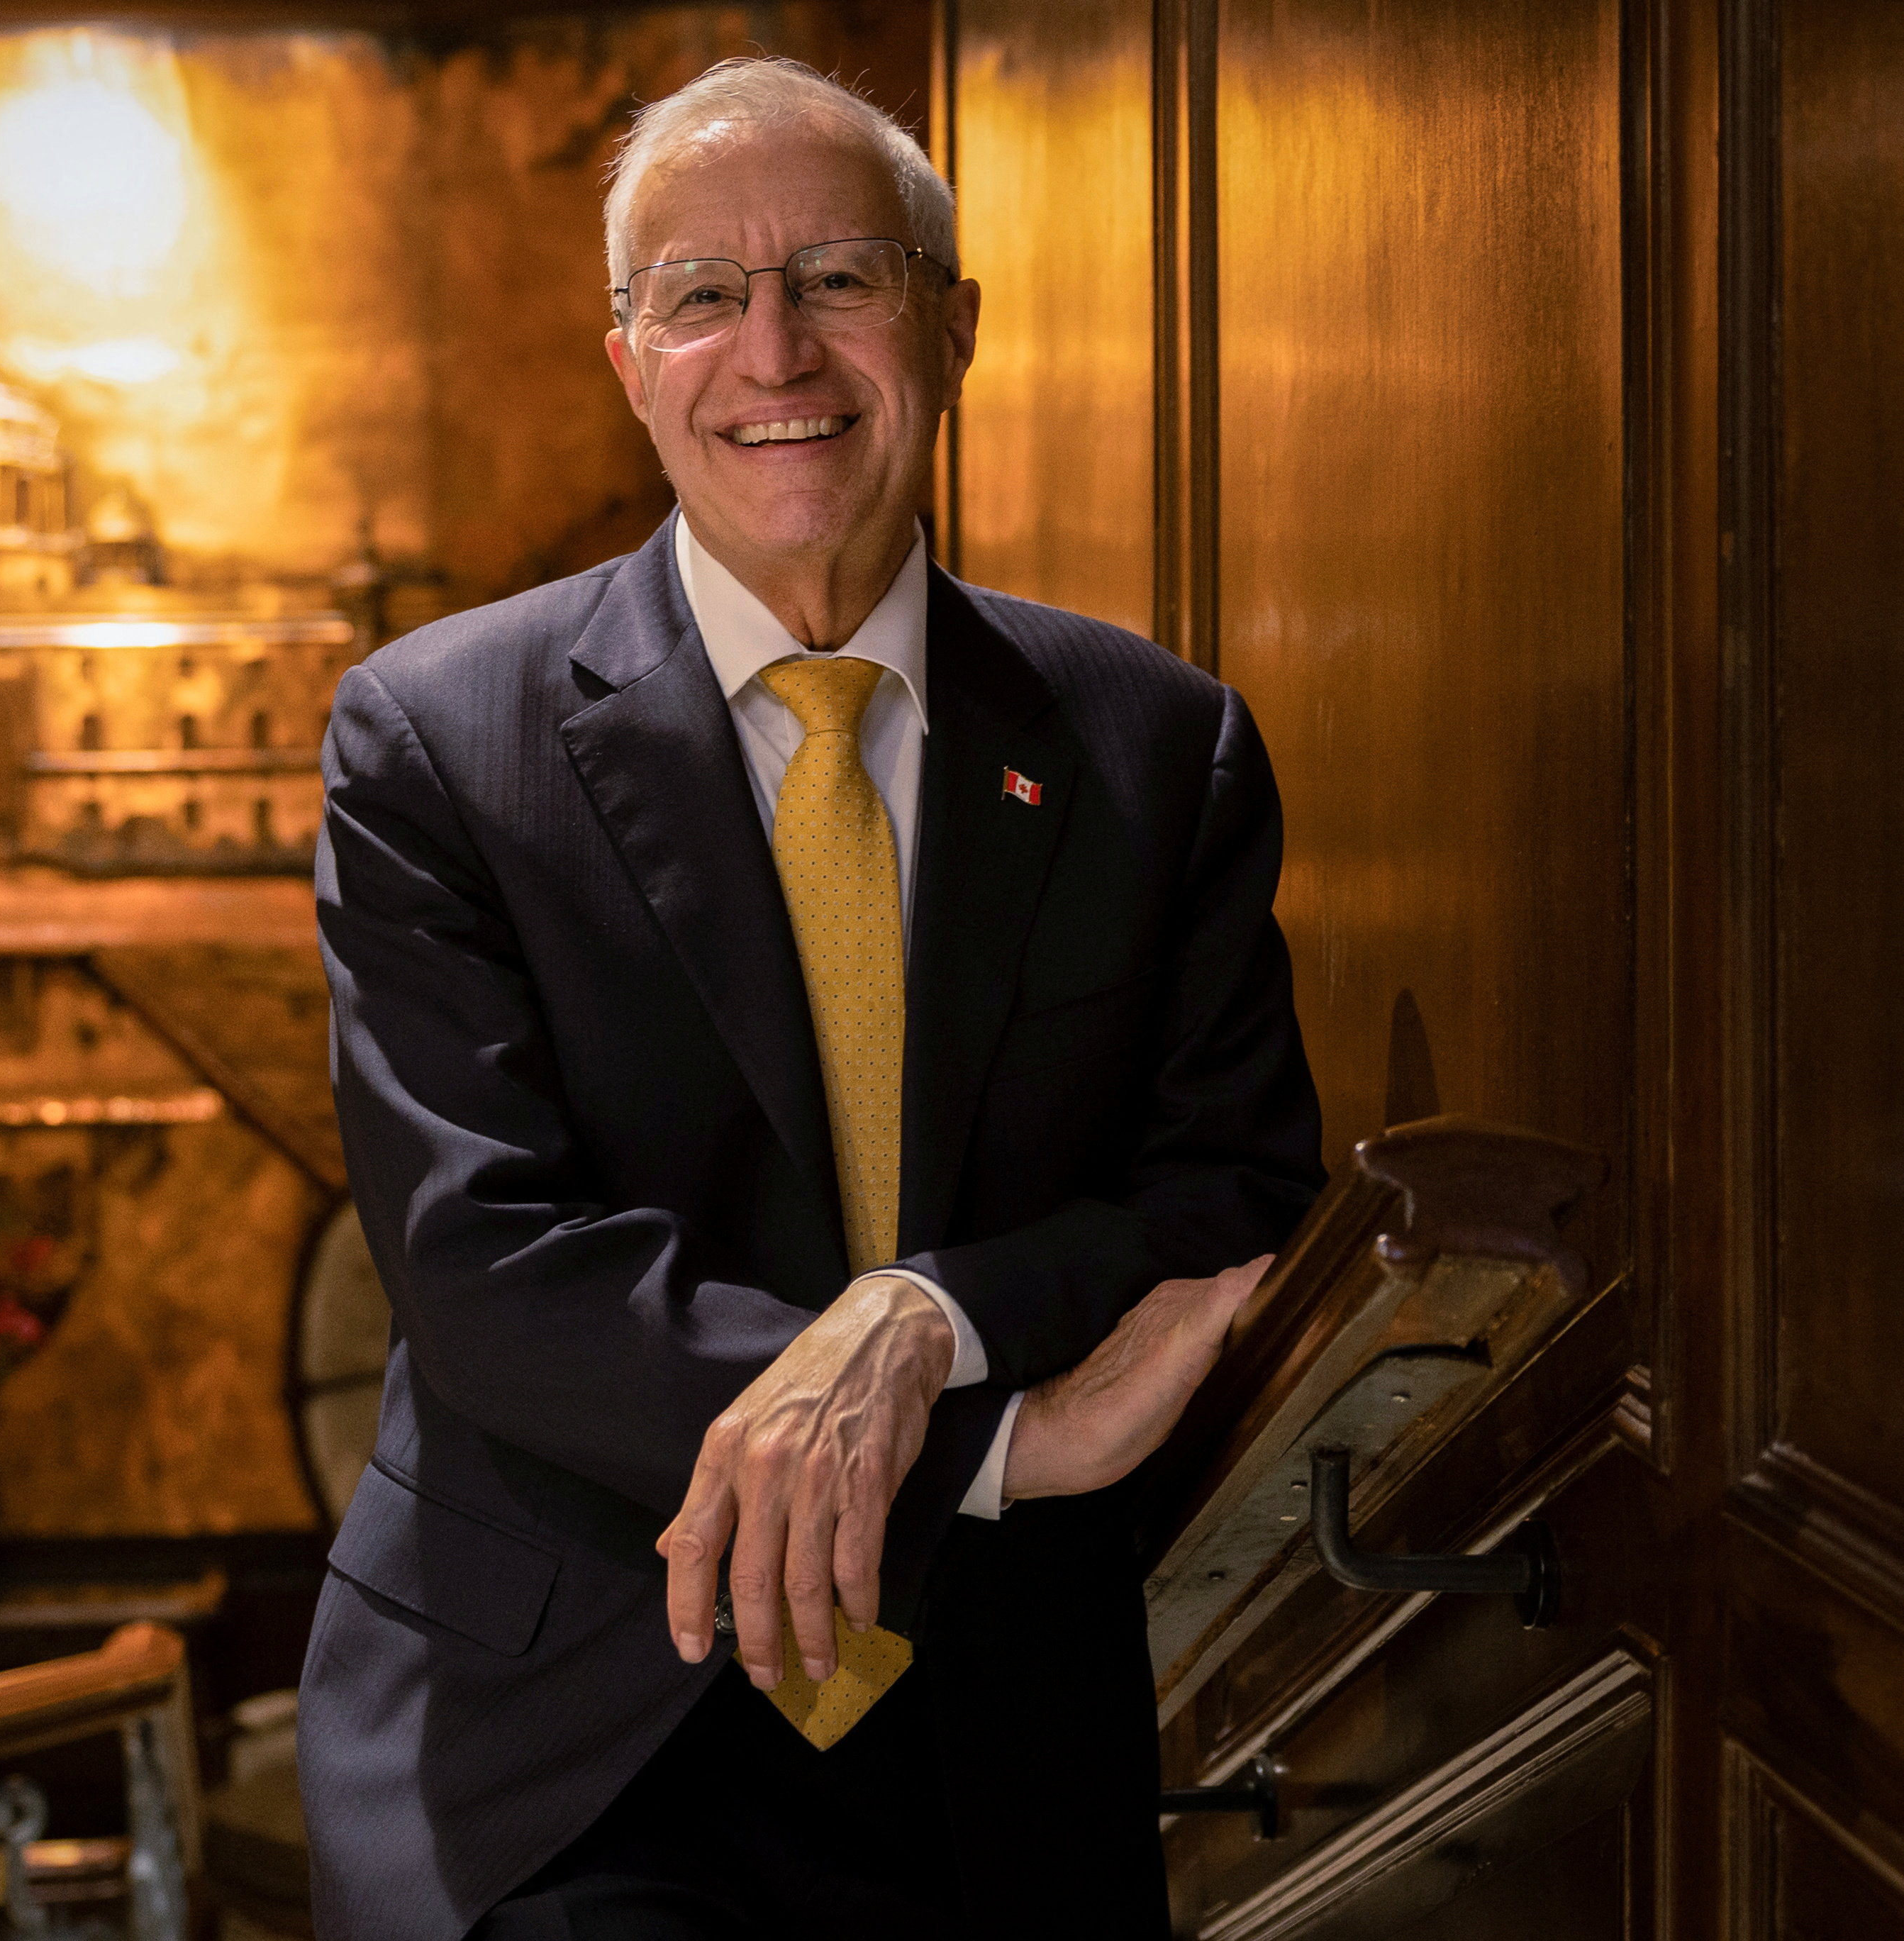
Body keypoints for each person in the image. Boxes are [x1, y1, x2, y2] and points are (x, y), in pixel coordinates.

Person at [301, 56, 1323, 1940]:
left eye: (838, 277)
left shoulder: (1149, 744)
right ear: (629, 360)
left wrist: (924, 1321)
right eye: (700, 293)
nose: (772, 352)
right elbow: (483, 1268)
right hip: (569, 1726)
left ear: (950, 325)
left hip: (1000, 1722)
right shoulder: (439, 740)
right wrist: (986, 1436)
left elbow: (1228, 1196)